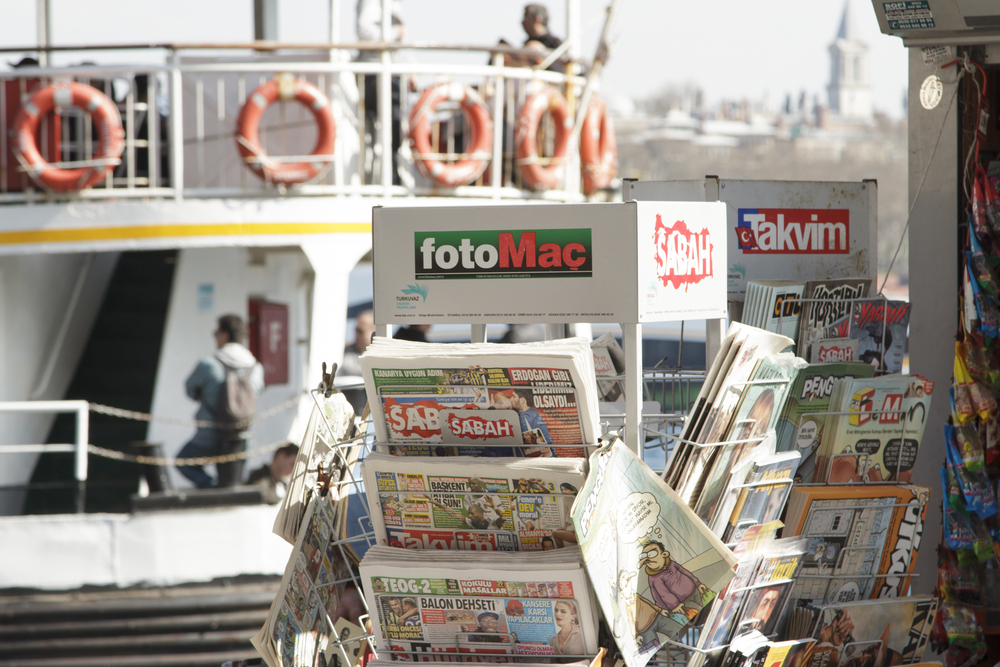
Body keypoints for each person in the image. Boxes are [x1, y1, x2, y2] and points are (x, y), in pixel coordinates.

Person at [177, 314, 264, 489]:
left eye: (215, 333)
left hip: (209, 436)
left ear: (224, 335)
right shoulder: (256, 367)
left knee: (182, 462)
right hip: (242, 437)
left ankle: (210, 486)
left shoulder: (208, 364)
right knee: (232, 482)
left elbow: (190, 390)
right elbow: (257, 391)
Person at [356, 0, 416, 186]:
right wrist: (396, 33)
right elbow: (364, 31)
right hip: (378, 75)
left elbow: (401, 46)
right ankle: (386, 178)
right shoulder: (372, 2)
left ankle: (391, 175)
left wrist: (411, 69)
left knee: (395, 128)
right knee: (385, 129)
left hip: (392, 74)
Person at [639, 541, 708, 621]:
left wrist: (697, 583)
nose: (648, 559)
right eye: (645, 556)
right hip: (681, 603)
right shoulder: (654, 578)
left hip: (693, 591)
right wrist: (675, 605)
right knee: (695, 616)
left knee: (703, 606)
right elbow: (664, 594)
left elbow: (684, 571)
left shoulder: (671, 564)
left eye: (652, 554)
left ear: (664, 554)